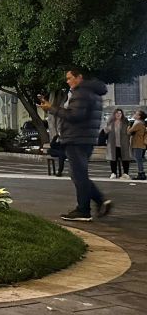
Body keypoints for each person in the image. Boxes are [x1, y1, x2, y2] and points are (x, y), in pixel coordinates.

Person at [39, 69, 110, 221]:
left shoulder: (81, 92)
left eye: (70, 78)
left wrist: (51, 108)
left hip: (77, 138)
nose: (68, 81)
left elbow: (74, 115)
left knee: (79, 175)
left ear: (79, 77)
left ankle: (84, 210)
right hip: (85, 138)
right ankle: (100, 201)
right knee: (79, 174)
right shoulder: (94, 93)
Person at [105, 108, 132, 179]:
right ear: (114, 114)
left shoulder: (126, 122)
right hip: (113, 144)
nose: (118, 115)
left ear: (122, 114)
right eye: (117, 113)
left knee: (125, 159)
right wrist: (108, 128)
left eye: (120, 113)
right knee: (113, 159)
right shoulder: (110, 122)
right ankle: (113, 173)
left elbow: (129, 132)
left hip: (124, 144)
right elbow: (105, 131)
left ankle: (126, 173)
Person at [131, 110, 147, 180]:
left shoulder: (138, 123)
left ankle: (141, 174)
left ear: (139, 116)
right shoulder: (141, 123)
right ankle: (141, 173)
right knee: (139, 159)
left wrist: (129, 126)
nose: (134, 114)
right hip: (140, 144)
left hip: (138, 144)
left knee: (138, 159)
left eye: (136, 114)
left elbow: (129, 131)